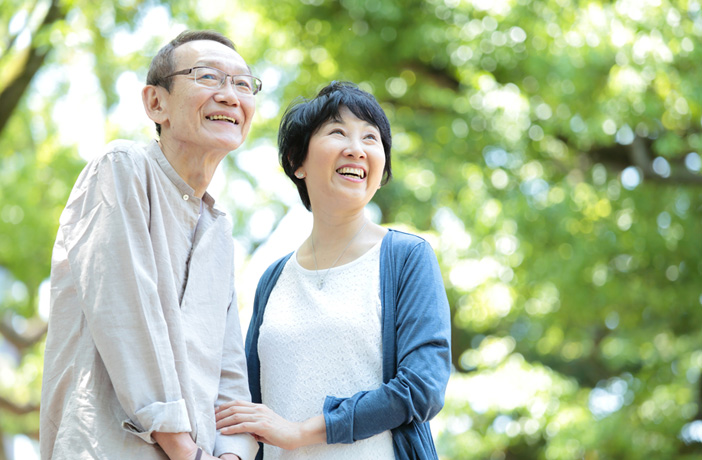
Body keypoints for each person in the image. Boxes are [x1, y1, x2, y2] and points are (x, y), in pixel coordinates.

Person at [40, 30, 261, 460]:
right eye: (209, 77)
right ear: (156, 103)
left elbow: (229, 370)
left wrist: (232, 453)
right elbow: (125, 316)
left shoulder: (218, 228)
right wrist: (185, 451)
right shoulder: (122, 168)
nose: (230, 96)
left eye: (242, 84)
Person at [215, 81, 452, 459]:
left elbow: (421, 387)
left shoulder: (407, 258)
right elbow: (246, 403)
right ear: (298, 161)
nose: (356, 149)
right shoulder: (273, 280)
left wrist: (301, 432)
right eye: (338, 132)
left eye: (371, 138)